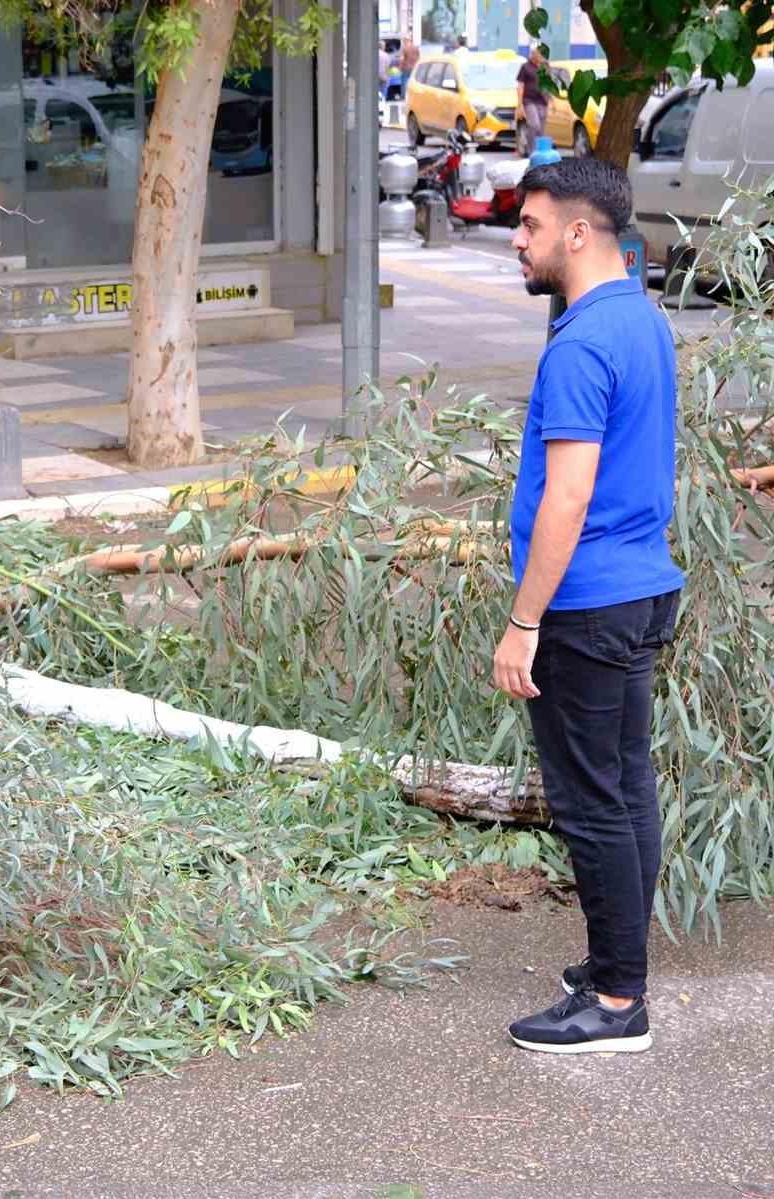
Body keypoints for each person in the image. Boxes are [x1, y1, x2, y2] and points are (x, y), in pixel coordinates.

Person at [495, 158, 683, 1055]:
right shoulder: (641, 320)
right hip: (644, 589)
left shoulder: (578, 345)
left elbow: (567, 498)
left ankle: (617, 1003)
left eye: (529, 225)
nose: (518, 241)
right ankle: (621, 962)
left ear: (578, 232)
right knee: (628, 784)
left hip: (587, 603)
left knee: (593, 803)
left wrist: (524, 620)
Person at [518, 47, 550, 156]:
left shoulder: (545, 67)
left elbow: (548, 84)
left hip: (542, 101)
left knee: (541, 129)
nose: (540, 57)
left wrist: (552, 100)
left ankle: (540, 153)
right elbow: (520, 85)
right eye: (538, 54)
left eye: (542, 55)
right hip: (529, 100)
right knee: (534, 124)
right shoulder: (525, 67)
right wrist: (520, 105)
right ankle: (531, 151)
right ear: (533, 55)